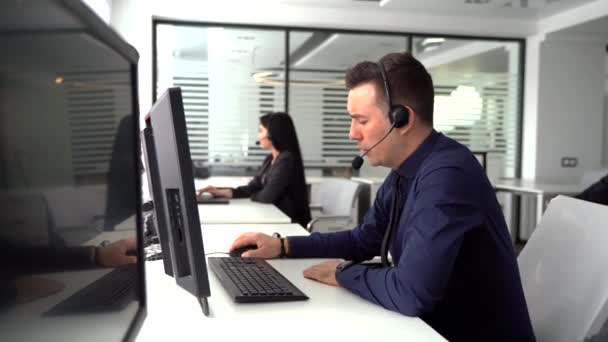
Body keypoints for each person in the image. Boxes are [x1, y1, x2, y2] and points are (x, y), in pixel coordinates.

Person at [228, 52, 536, 341]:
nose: (352, 133)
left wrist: (344, 273)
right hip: (429, 326)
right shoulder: (405, 172)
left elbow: (411, 292)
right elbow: (364, 240)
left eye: (361, 120)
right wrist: (282, 246)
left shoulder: (447, 175)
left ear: (402, 120)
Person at [199, 112, 311, 227]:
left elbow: (267, 196)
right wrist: (222, 192)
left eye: (261, 130)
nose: (258, 136)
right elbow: (253, 187)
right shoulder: (270, 159)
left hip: (289, 223)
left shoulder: (286, 159)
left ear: (273, 134)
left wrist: (252, 194)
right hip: (273, 217)